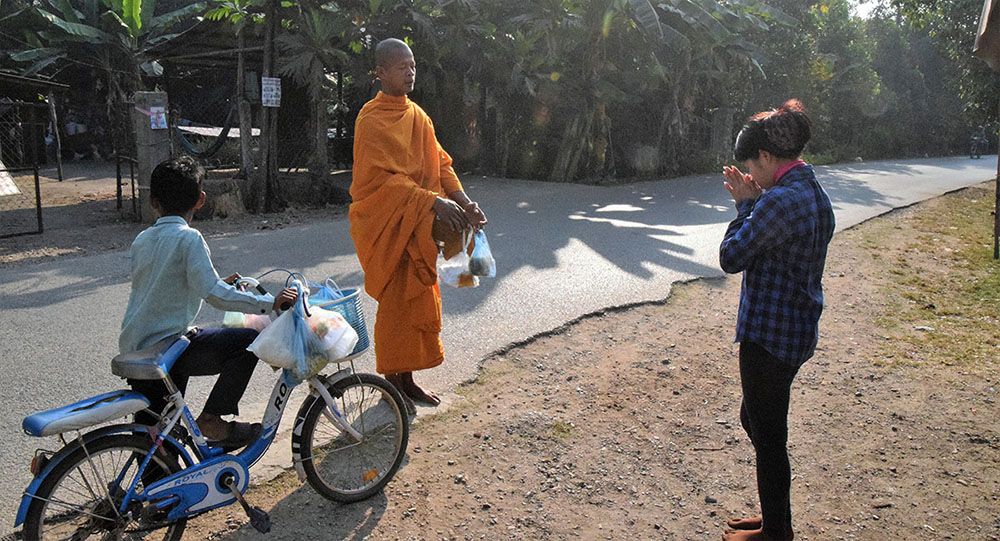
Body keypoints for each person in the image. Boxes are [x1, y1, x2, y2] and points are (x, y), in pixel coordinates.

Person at [119, 156, 297, 449]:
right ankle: (212, 419)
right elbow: (214, 294)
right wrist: (270, 303)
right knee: (248, 342)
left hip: (137, 346)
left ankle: (153, 487)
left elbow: (164, 285)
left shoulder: (142, 240)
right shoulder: (190, 239)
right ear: (201, 199)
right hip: (168, 346)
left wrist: (211, 283)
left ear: (153, 201)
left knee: (155, 429)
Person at [349, 38, 488, 410]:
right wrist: (431, 201)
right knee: (396, 307)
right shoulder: (371, 119)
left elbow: (441, 165)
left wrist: (464, 203)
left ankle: (406, 381)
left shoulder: (418, 116)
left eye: (413, 65)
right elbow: (379, 182)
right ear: (380, 73)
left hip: (418, 224)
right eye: (401, 67)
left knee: (419, 301)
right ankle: (391, 384)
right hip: (389, 224)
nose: (410, 72)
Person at [718, 100, 834, 541]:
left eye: (752, 165)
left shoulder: (778, 202)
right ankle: (773, 518)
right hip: (797, 328)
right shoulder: (809, 190)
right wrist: (755, 200)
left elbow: (731, 257)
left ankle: (777, 532)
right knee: (757, 421)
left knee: (767, 436)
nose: (751, 175)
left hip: (770, 334)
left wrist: (745, 206)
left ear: (766, 157)